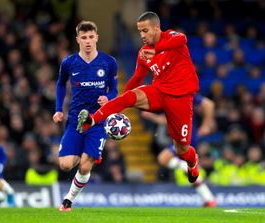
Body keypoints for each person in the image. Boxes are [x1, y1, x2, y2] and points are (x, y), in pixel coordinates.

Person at [77, 11, 200, 183]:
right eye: (139, 31)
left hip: (181, 99)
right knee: (128, 97)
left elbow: (183, 39)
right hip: (159, 93)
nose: (142, 35)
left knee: (182, 150)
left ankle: (193, 163)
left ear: (157, 28)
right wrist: (121, 101)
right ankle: (91, 120)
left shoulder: (172, 37)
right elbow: (136, 79)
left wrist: (157, 50)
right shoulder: (144, 52)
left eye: (145, 30)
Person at [52, 20, 118, 211]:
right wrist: (58, 109)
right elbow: (61, 84)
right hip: (74, 120)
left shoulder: (109, 62)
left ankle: (68, 200)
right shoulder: (69, 63)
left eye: (91, 37)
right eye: (84, 37)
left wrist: (108, 98)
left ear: (96, 37)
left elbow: (114, 90)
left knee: (85, 167)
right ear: (78, 39)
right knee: (65, 165)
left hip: (98, 121)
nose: (88, 41)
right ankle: (84, 158)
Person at [142, 94, 217, 207]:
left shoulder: (183, 94)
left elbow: (209, 104)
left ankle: (190, 167)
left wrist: (206, 125)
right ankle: (209, 199)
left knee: (163, 158)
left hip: (187, 136)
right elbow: (166, 120)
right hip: (181, 137)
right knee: (182, 168)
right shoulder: (168, 98)